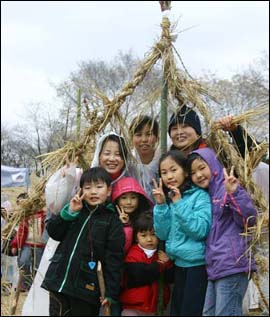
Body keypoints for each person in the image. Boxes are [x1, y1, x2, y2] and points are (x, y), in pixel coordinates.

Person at [41, 166, 125, 316]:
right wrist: (70, 213)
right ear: (81, 190)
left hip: (86, 288)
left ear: (109, 191)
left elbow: (114, 259)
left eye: (99, 187)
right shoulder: (75, 211)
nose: (93, 192)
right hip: (58, 281)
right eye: (87, 187)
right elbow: (54, 233)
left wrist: (111, 293)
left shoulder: (113, 221)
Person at [187, 147, 257, 316]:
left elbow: (249, 220)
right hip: (216, 267)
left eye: (202, 168)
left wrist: (234, 193)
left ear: (213, 164)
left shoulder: (227, 188)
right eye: (193, 172)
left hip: (233, 264)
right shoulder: (206, 197)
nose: (198, 175)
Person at [152, 150, 212, 316]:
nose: (169, 176)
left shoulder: (199, 196)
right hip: (179, 265)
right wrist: (162, 206)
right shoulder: (170, 198)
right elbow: (162, 235)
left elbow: (200, 230)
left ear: (185, 171)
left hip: (197, 266)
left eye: (173, 170)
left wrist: (178, 204)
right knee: (176, 310)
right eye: (164, 173)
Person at [120, 211, 173, 316]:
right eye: (143, 235)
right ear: (136, 238)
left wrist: (167, 263)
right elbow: (140, 274)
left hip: (154, 307)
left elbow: (170, 278)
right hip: (133, 307)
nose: (149, 239)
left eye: (153, 234)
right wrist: (161, 265)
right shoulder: (133, 254)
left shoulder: (161, 254)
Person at [11, 192, 46, 292]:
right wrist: (15, 245)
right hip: (27, 244)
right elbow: (21, 232)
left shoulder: (44, 215)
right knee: (23, 261)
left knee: (38, 266)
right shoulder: (27, 216)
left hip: (40, 245)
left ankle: (36, 286)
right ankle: (26, 283)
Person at [112, 176, 154, 253]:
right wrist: (125, 225)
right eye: (124, 198)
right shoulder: (111, 219)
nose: (128, 202)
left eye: (133, 197)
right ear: (117, 199)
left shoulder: (146, 218)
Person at [129, 115, 160, 202]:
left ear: (157, 137)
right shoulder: (128, 161)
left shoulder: (163, 159)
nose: (144, 140)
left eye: (149, 134)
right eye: (138, 135)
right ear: (132, 138)